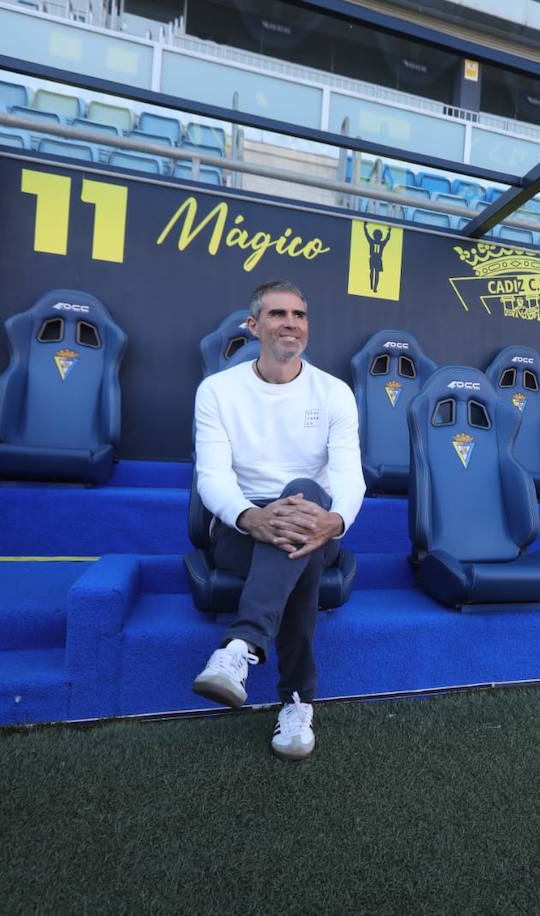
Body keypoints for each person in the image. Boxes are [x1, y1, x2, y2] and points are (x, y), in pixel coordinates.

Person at [191, 279, 364, 760]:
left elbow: (350, 476)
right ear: (253, 325)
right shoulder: (217, 391)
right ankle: (296, 700)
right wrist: (250, 517)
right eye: (276, 314)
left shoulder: (334, 393)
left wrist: (337, 521)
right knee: (300, 555)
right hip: (240, 527)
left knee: (305, 496)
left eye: (299, 315)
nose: (290, 323)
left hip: (317, 522)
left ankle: (240, 648)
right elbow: (211, 476)